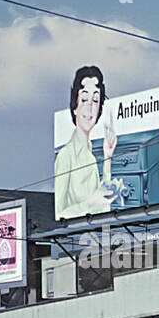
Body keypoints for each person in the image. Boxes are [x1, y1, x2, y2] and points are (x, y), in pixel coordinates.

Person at [53, 66, 119, 220]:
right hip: (74, 241)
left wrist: (107, 158)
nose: (90, 106)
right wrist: (89, 203)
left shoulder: (90, 155)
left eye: (95, 100)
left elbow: (102, 205)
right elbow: (60, 214)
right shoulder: (66, 156)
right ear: (74, 107)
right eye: (84, 99)